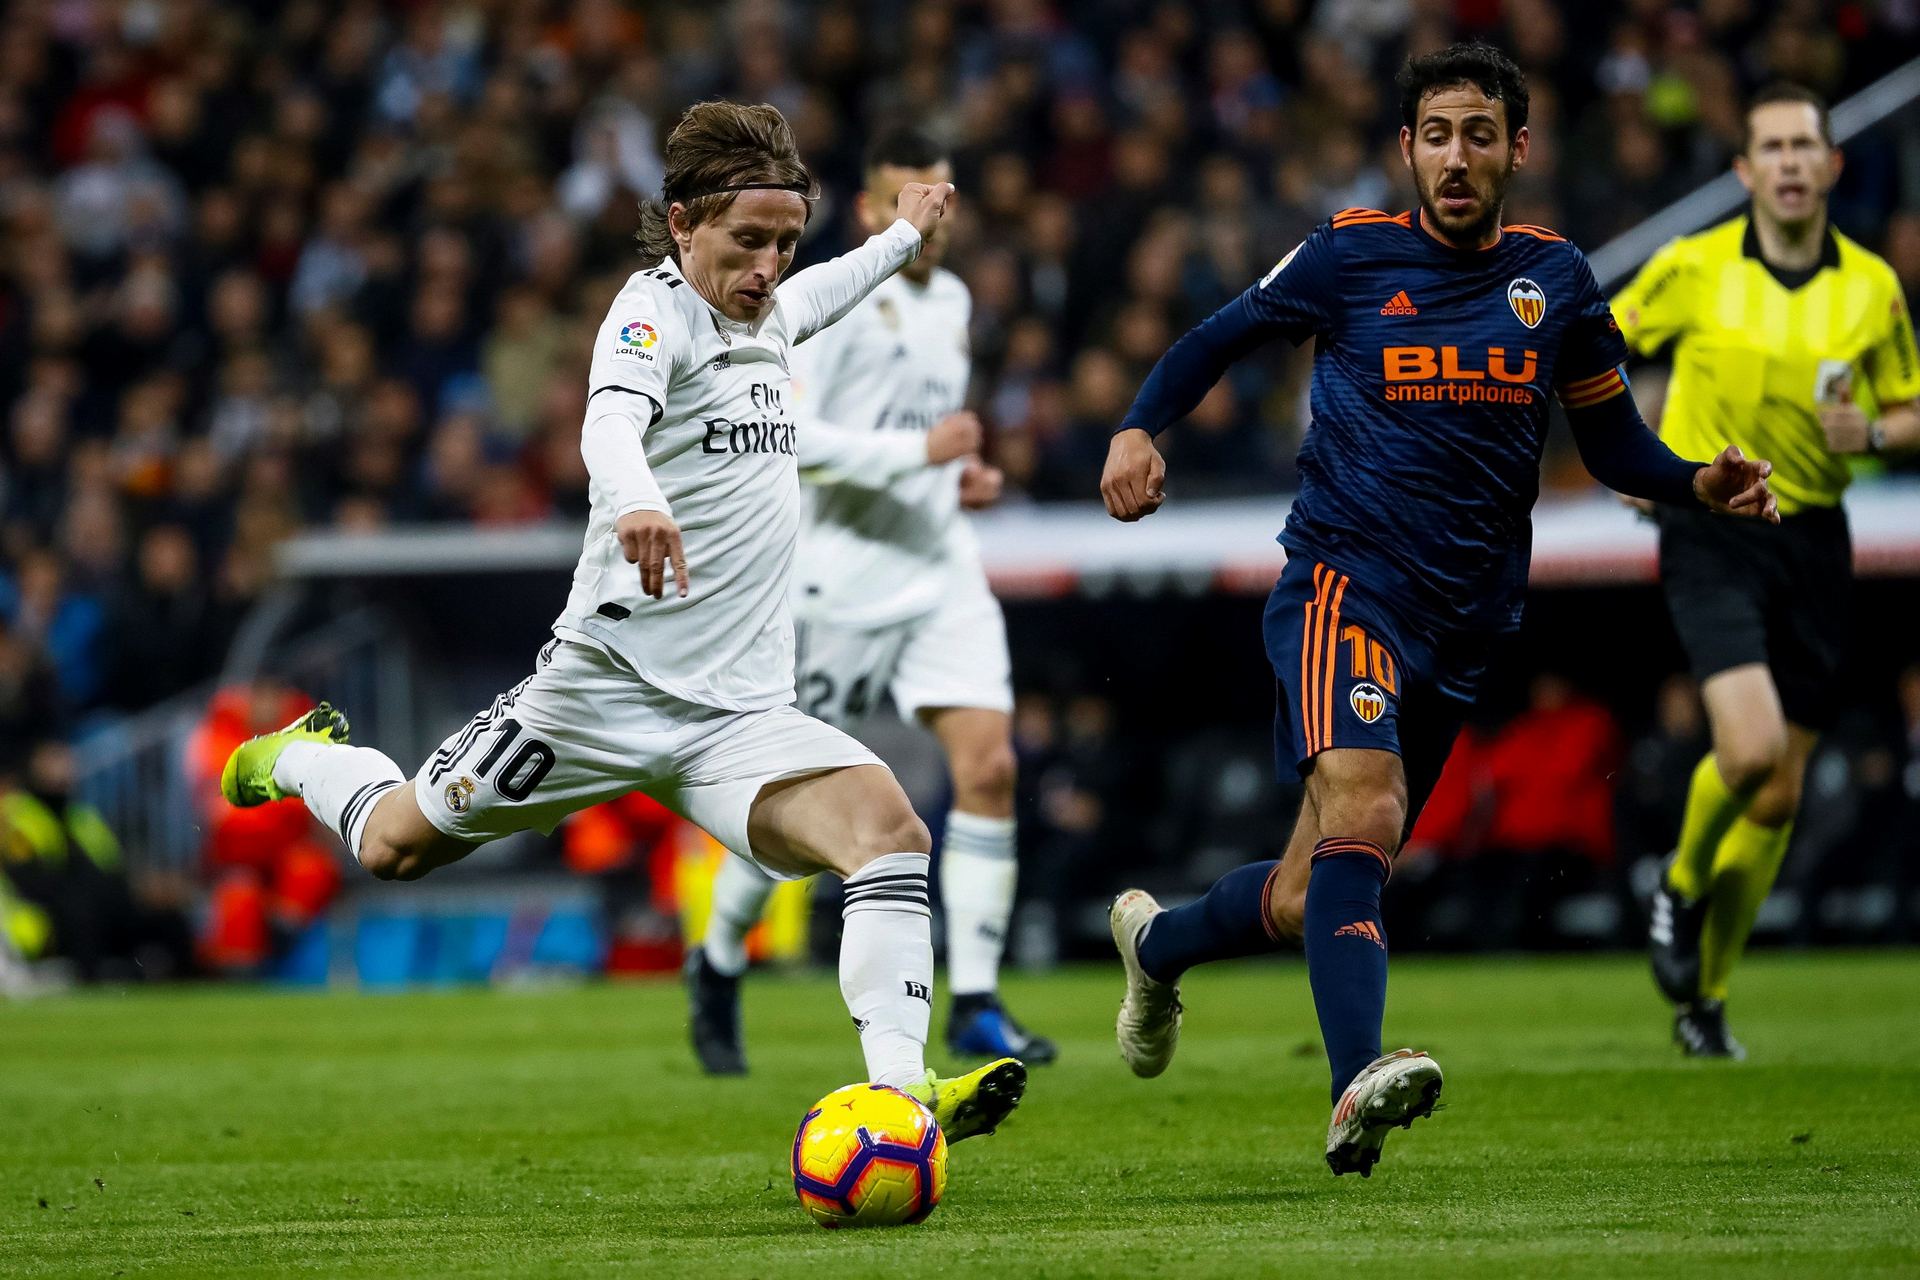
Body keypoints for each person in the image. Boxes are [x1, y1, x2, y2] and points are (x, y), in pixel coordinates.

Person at [219, 102, 1026, 1140]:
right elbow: (609, 419)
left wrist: (906, 235)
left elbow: (831, 284)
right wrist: (638, 495)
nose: (769, 266)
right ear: (684, 223)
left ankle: (904, 1095)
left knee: (888, 832)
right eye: (746, 242)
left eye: (783, 242)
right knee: (395, 845)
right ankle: (296, 759)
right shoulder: (650, 316)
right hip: (602, 694)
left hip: (737, 715)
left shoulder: (771, 312)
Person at [1097, 42, 1778, 1177]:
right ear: (1406, 148)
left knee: (1314, 885)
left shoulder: (1555, 279)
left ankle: (1159, 942)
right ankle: (1353, 1080)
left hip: (1464, 626)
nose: (1454, 157)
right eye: (1434, 134)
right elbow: (1217, 337)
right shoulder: (1350, 255)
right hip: (1341, 585)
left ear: (1519, 147)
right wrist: (1136, 426)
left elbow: (1607, 438)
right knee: (1368, 806)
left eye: (1477, 134)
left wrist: (1691, 479)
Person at [685, 127, 1057, 1076]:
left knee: (991, 770)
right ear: (871, 212)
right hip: (840, 583)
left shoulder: (958, 301)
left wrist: (953, 476)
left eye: (941, 199)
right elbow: (789, 433)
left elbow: (918, 432)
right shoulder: (830, 306)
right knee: (791, 817)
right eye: (908, 199)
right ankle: (719, 958)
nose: (929, 219)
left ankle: (974, 998)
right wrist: (914, 460)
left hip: (940, 570)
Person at [1617, 84, 1920, 1059]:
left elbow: (1912, 406)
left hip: (1816, 539)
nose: (1791, 162)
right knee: (1745, 754)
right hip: (1714, 529)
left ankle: (1704, 1001)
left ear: (1831, 166)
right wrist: (1634, 455)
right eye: (1772, 147)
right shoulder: (1693, 267)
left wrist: (1873, 429)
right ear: (1745, 172)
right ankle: (1677, 885)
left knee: (1780, 795)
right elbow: (1596, 346)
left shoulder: (1871, 285)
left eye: (1806, 145)